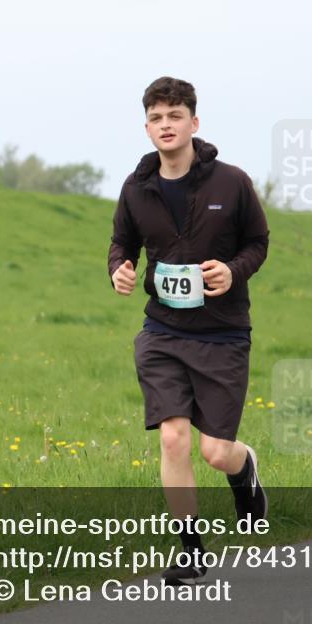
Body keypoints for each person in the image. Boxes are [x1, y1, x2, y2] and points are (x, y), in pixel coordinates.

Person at [108, 76, 269, 584]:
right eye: (156, 118)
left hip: (222, 333)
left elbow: (258, 243)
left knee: (215, 451)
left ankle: (245, 470)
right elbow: (121, 243)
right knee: (174, 440)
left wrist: (233, 270)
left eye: (174, 116)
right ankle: (191, 548)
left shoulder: (231, 182)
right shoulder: (137, 189)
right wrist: (120, 269)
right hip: (162, 332)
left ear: (193, 123)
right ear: (147, 127)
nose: (165, 125)